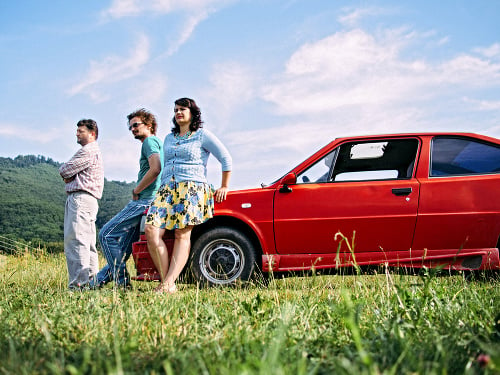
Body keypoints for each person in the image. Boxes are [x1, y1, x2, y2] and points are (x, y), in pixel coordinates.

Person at [145, 97, 232, 293]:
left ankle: (167, 284)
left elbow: (226, 158)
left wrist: (224, 186)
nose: (178, 112)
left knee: (181, 233)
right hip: (167, 189)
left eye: (183, 109)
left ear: (192, 112)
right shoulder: (168, 138)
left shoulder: (202, 135)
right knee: (151, 229)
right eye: (175, 109)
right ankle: (168, 280)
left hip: (191, 188)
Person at [92, 109, 163, 289]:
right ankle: (96, 282)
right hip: (152, 201)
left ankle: (122, 283)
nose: (132, 129)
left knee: (106, 234)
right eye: (130, 127)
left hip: (144, 200)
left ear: (149, 125)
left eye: (136, 125)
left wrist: (136, 189)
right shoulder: (158, 143)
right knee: (123, 248)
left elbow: (156, 168)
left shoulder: (149, 142)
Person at [59, 119, 104, 290]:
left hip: (80, 198)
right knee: (87, 242)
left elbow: (64, 171)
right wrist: (69, 175)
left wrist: (69, 176)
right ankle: (91, 282)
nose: (77, 133)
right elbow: (67, 173)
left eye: (81, 131)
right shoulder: (93, 151)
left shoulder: (87, 151)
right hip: (88, 199)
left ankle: (79, 284)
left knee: (76, 240)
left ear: (92, 134)